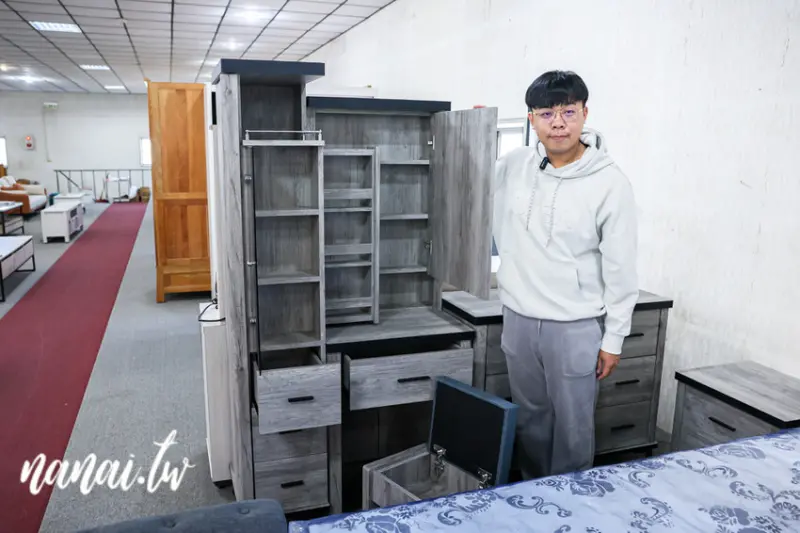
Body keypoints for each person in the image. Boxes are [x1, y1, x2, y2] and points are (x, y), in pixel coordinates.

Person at [492, 70, 639, 479]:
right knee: (530, 421)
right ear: (531, 119)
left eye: (568, 112)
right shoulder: (513, 166)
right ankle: (534, 498)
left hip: (574, 326)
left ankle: (572, 503)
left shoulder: (610, 183)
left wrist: (614, 338)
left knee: (573, 427)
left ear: (584, 114)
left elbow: (621, 267)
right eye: (546, 113)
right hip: (518, 319)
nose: (558, 123)